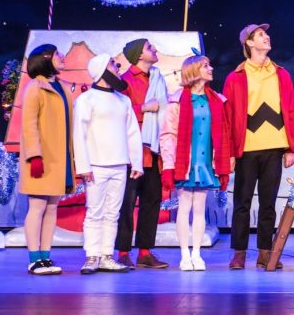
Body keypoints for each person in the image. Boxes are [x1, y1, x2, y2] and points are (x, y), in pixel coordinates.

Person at [223, 24, 294, 270]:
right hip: (247, 148)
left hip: (274, 146)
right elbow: (228, 116)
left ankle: (265, 252)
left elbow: (290, 110)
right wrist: (229, 152)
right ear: (249, 43)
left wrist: (291, 147)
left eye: (266, 33)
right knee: (242, 202)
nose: (267, 37)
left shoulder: (280, 74)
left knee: (268, 203)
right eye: (260, 35)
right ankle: (239, 252)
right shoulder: (236, 77)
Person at [72, 54, 143, 275]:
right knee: (95, 211)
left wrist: (137, 162)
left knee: (113, 213)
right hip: (96, 165)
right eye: (113, 63)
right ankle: (92, 256)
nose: (118, 66)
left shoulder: (123, 100)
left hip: (120, 165)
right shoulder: (86, 99)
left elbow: (132, 133)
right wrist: (83, 166)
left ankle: (106, 256)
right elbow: (79, 134)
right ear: (101, 69)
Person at [160, 54, 232, 271]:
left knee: (200, 208)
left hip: (205, 163)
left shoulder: (216, 100)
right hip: (185, 163)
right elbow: (168, 134)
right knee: (184, 207)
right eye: (205, 66)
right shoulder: (177, 101)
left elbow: (223, 133)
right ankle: (185, 255)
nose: (211, 69)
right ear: (193, 71)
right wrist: (169, 165)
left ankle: (197, 254)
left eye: (210, 65)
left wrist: (225, 160)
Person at [19, 44, 74, 275]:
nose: (62, 57)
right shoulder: (35, 87)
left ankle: (45, 256)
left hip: (59, 158)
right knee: (38, 207)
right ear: (46, 58)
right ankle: (34, 259)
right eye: (57, 54)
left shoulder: (60, 87)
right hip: (42, 158)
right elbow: (29, 124)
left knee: (52, 208)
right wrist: (35, 155)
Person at [114, 38, 169, 269]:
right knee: (126, 204)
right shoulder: (125, 81)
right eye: (149, 47)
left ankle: (145, 252)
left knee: (151, 202)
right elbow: (117, 114)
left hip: (154, 152)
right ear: (138, 55)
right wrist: (143, 109)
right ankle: (123, 252)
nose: (154, 49)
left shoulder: (157, 78)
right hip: (132, 154)